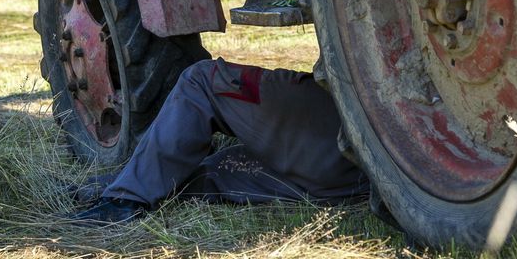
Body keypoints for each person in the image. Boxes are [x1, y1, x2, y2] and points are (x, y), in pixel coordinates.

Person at [71, 57, 368, 223]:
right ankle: (113, 185)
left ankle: (123, 201)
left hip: (350, 125)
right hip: (370, 174)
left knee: (201, 80)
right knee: (223, 168)